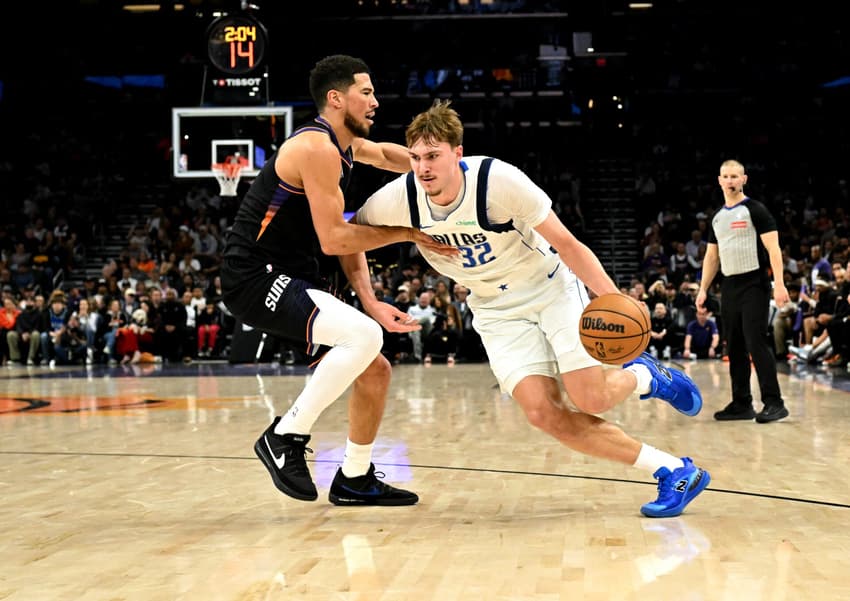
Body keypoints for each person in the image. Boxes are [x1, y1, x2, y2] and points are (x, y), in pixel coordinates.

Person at [355, 99, 709, 518]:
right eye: (415, 158)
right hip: (493, 307)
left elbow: (568, 244)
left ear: (457, 154)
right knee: (544, 414)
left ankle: (643, 375)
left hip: (549, 287)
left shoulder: (499, 181)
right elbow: (347, 237)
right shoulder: (398, 199)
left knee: (591, 398)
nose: (423, 167)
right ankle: (672, 470)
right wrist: (370, 301)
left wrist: (616, 299)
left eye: (433, 156)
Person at [220, 55, 456, 506]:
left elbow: (389, 155)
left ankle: (354, 477)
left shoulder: (344, 146)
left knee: (375, 370)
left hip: (294, 274)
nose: (375, 101)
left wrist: (431, 162)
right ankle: (284, 434)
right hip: (254, 274)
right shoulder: (316, 149)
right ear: (336, 97)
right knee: (363, 336)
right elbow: (336, 238)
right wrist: (407, 233)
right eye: (365, 92)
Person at [696, 159, 789, 423]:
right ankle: (741, 403)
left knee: (755, 341)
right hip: (729, 286)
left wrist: (779, 284)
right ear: (719, 180)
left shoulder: (755, 210)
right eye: (725, 176)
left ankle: (774, 402)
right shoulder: (717, 217)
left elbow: (774, 249)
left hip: (755, 284)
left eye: (735, 176)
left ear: (744, 179)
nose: (730, 180)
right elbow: (711, 258)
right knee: (734, 345)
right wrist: (703, 289)